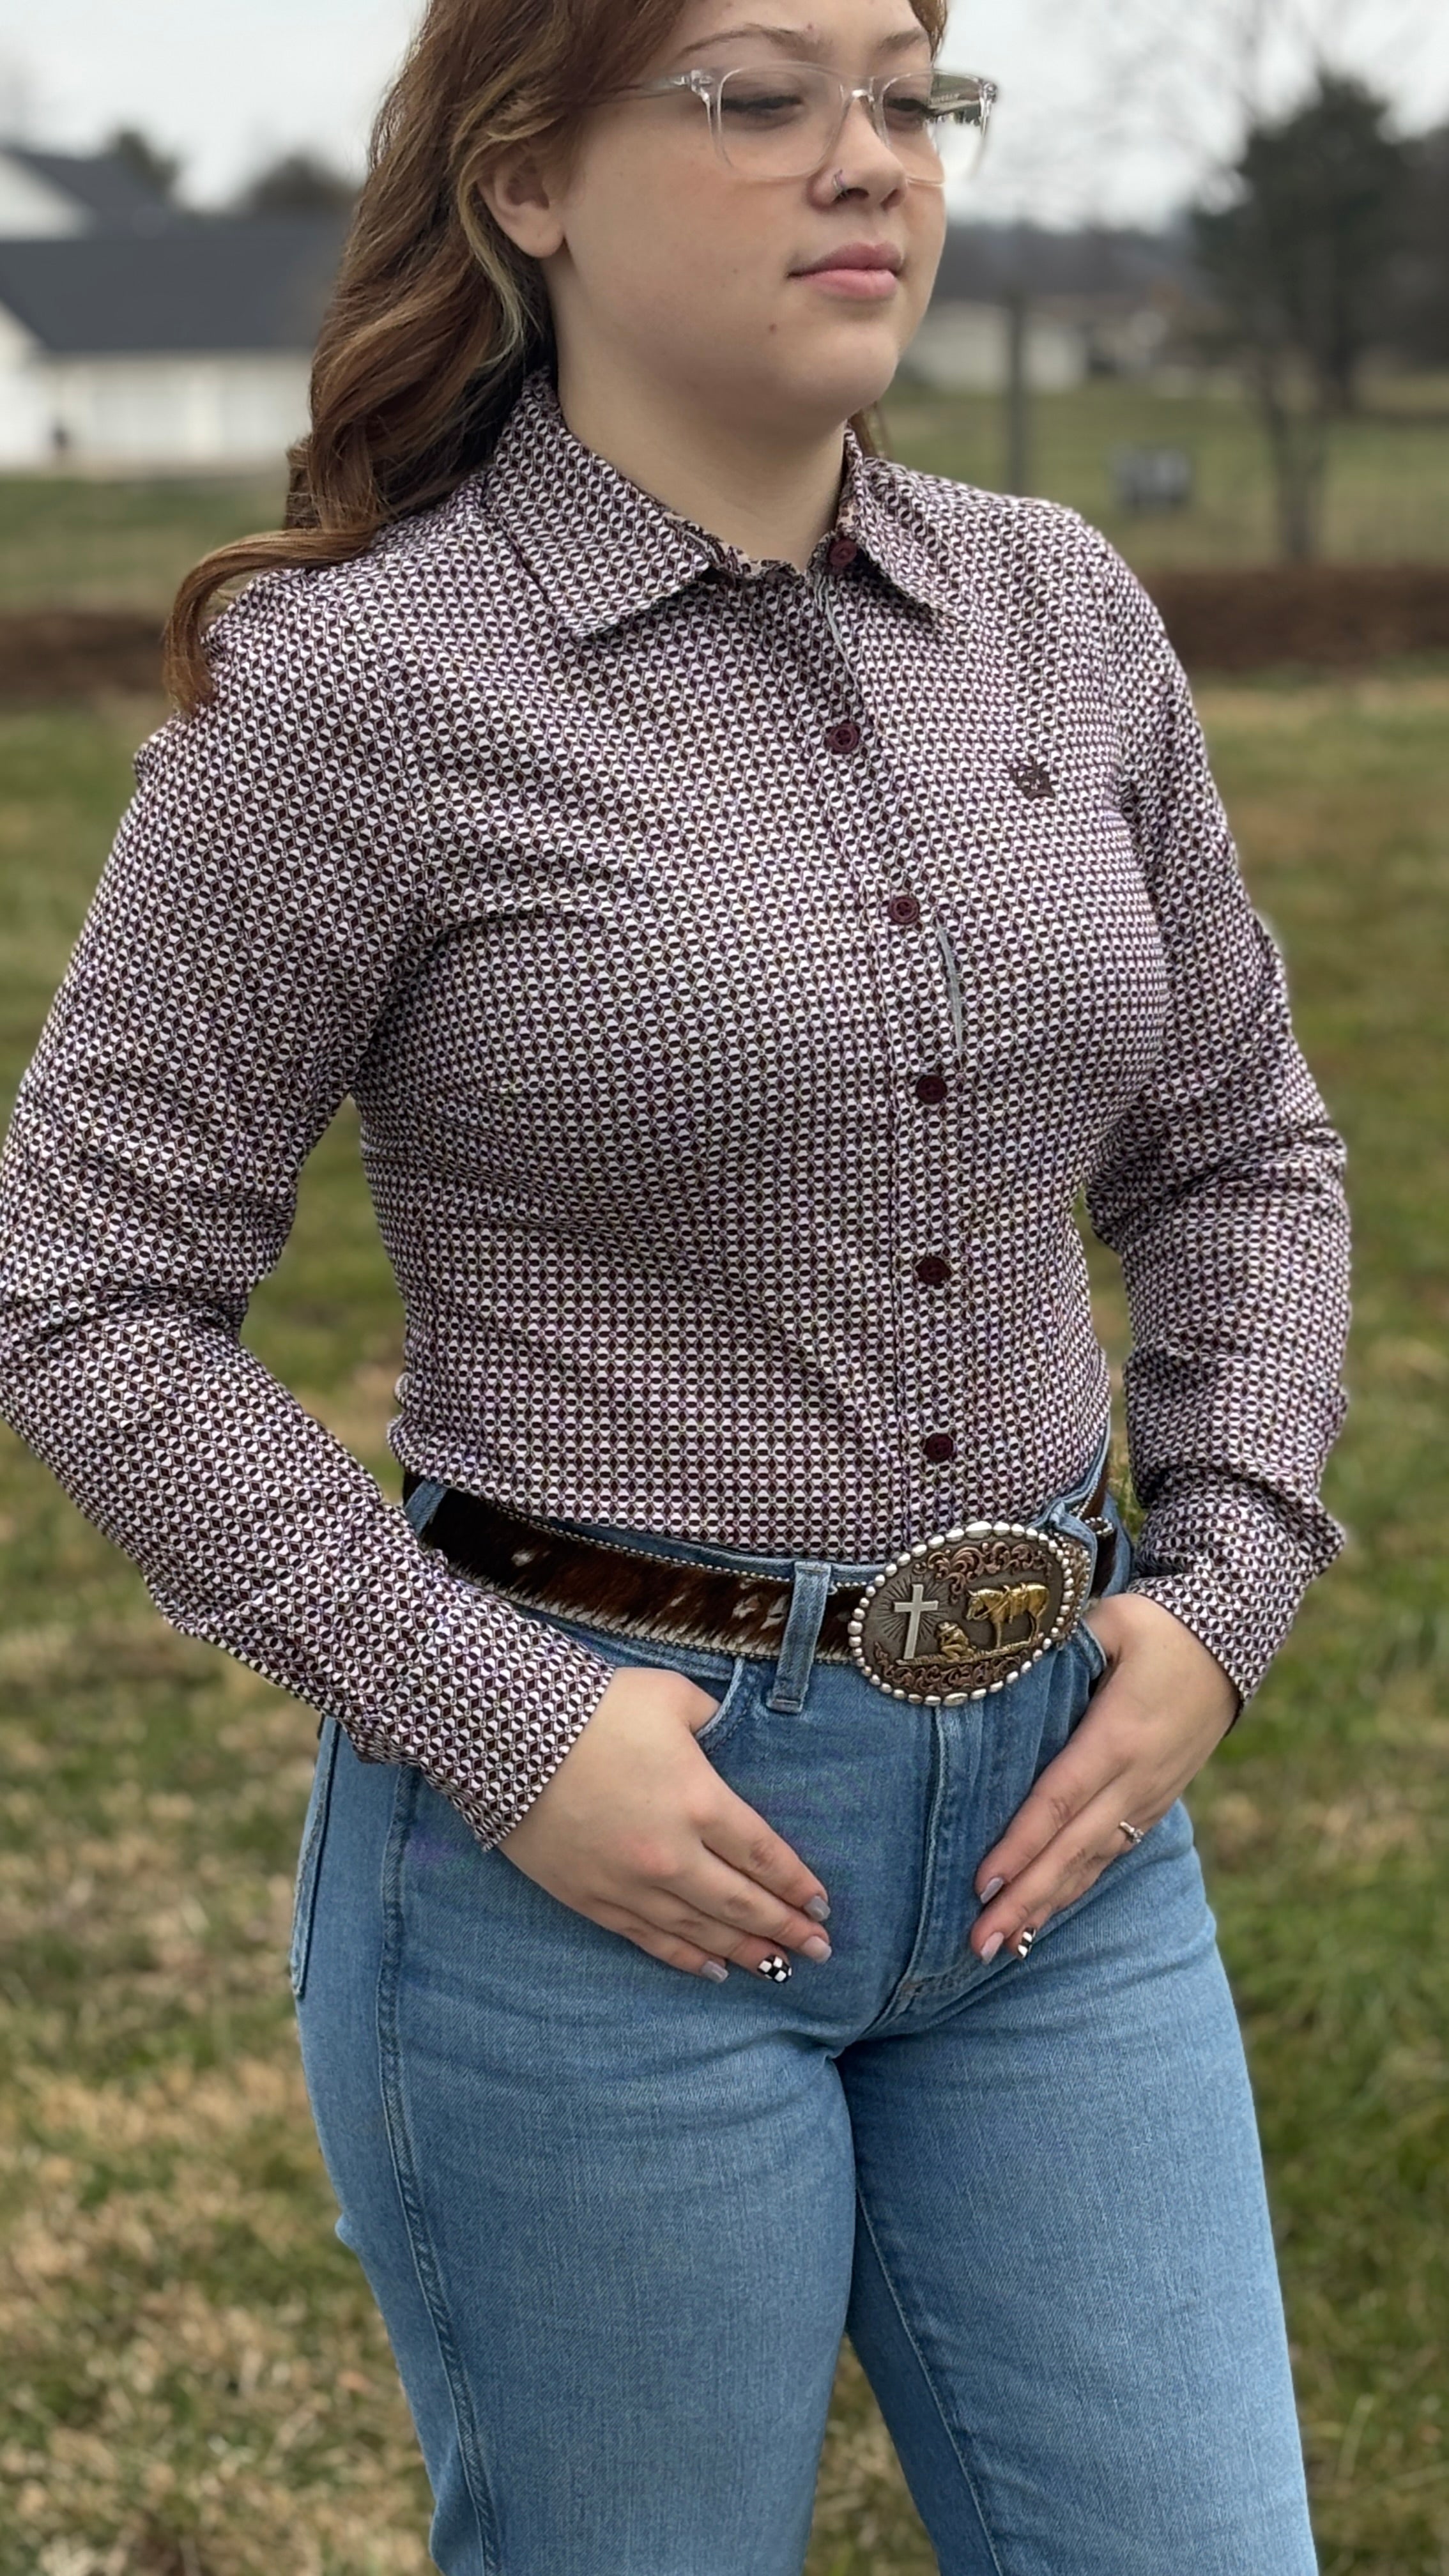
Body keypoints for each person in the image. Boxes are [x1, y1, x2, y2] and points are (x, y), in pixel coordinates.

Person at [0, 0, 1351, 2568]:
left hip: (1062, 1840)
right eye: (759, 94)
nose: (869, 159)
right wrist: (501, 1726)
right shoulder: (361, 691)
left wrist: (1230, 1574)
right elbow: (81, 1282)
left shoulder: (1062, 611)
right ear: (526, 176)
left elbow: (1238, 1145)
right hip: (589, 1863)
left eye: (909, 93)